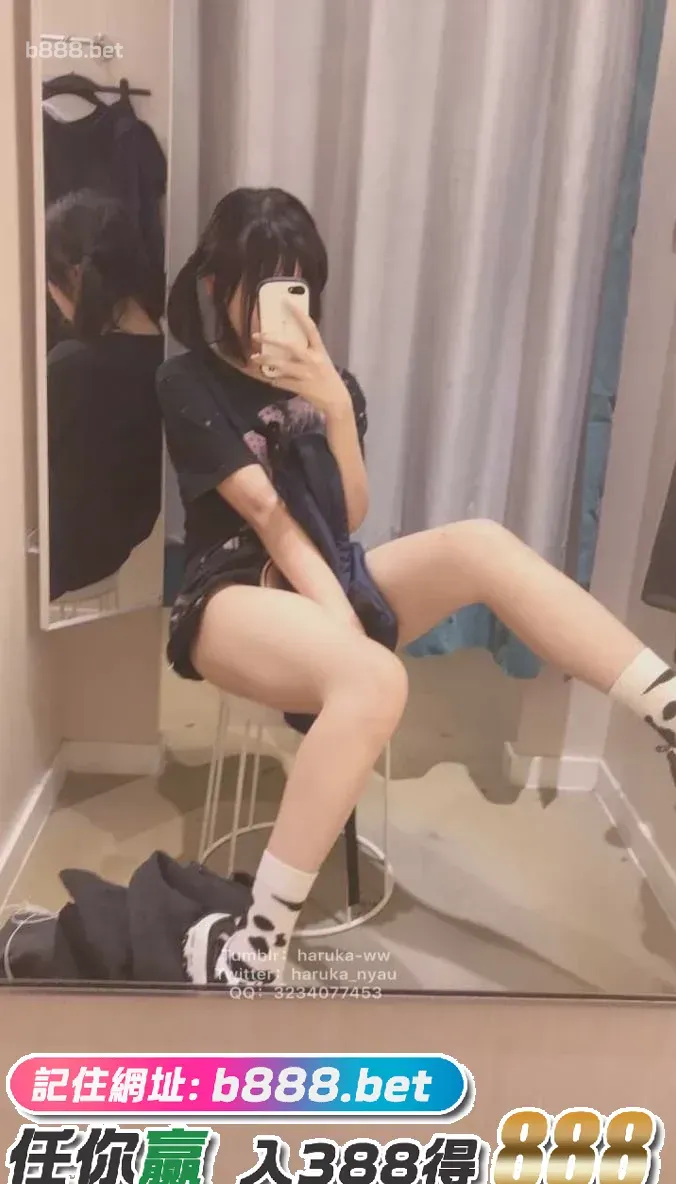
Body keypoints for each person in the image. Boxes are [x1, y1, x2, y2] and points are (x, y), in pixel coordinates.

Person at [158, 186, 676, 988]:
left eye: (294, 284)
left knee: (479, 544)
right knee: (376, 677)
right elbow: (265, 513)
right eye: (258, 285)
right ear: (215, 284)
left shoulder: (335, 385)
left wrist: (334, 408)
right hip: (230, 592)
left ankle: (666, 706)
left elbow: (350, 514)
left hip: (331, 572)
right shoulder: (187, 380)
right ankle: (255, 951)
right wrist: (343, 617)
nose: (275, 308)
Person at [45, 189, 164, 601]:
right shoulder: (172, 362)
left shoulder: (71, 368)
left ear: (73, 275)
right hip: (114, 563)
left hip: (58, 570)